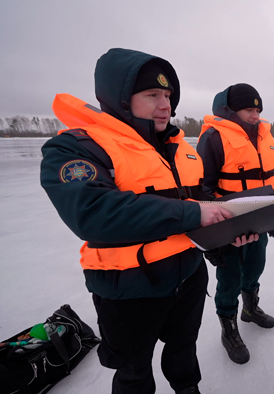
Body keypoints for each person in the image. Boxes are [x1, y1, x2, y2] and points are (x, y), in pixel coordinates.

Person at [40, 48, 255, 394]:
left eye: (168, 95)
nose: (165, 104)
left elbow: (201, 200)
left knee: (183, 352)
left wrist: (230, 231)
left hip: (187, 277)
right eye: (152, 94)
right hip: (128, 291)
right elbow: (93, 212)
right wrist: (194, 212)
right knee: (133, 370)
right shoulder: (76, 148)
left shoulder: (180, 148)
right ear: (121, 99)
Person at [196, 83, 274, 365]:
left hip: (259, 220)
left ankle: (250, 309)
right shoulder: (213, 138)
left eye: (258, 110)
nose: (255, 115)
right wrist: (214, 236)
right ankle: (228, 327)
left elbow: (270, 178)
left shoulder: (263, 136)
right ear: (231, 111)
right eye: (249, 110)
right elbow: (201, 189)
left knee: (256, 267)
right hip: (228, 226)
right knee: (229, 278)